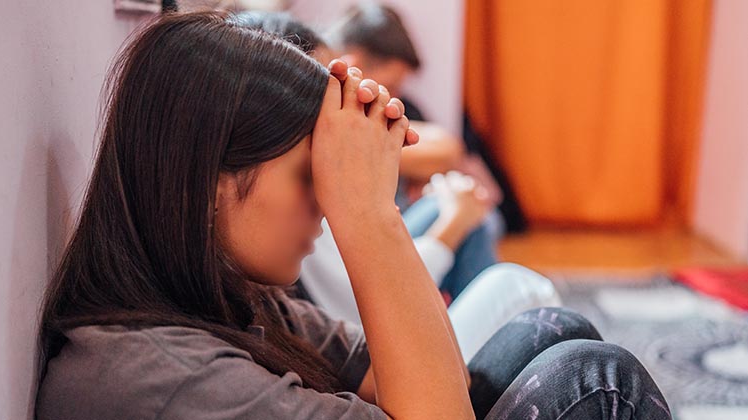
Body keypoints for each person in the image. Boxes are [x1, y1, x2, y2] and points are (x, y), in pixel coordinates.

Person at [37, 11, 672, 419]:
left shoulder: (234, 297)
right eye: (308, 176)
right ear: (210, 182)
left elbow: (401, 377)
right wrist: (369, 215)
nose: (324, 200)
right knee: (598, 382)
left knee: (553, 327)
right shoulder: (164, 381)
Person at [235, 12, 561, 357]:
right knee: (522, 288)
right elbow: (358, 298)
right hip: (374, 335)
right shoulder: (296, 189)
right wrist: (450, 225)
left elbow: (448, 147)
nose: (351, 101)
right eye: (329, 95)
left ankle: (465, 344)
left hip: (371, 323)